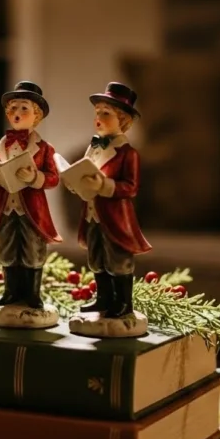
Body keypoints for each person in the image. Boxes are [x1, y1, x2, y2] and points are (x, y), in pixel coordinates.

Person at [0, 80, 61, 310]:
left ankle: (32, 294)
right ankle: (10, 292)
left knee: (32, 250)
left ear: (36, 115)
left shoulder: (44, 148)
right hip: (6, 209)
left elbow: (53, 178)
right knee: (7, 250)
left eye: (24, 108)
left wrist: (34, 177)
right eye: (13, 108)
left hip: (31, 211)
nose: (17, 112)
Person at [76, 82, 152, 318]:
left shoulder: (128, 153)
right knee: (96, 258)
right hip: (92, 214)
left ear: (123, 120)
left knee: (118, 260)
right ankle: (103, 299)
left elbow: (130, 187)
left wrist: (104, 185)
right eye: (97, 113)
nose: (98, 118)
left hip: (115, 217)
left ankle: (123, 303)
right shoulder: (94, 147)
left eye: (106, 114)